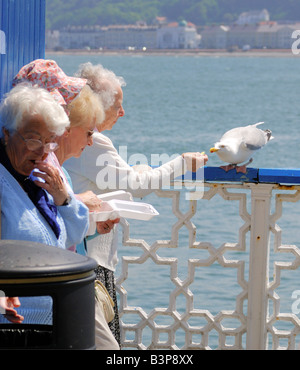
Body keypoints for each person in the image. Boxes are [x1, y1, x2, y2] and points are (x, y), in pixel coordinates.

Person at [64, 62, 209, 347]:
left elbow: (121, 176)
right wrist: (183, 163)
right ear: (97, 105)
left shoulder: (77, 138)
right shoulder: (95, 142)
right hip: (90, 259)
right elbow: (136, 184)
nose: (122, 112)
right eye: (117, 104)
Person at [12, 59, 120, 350]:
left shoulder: (46, 166)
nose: (46, 147)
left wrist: (69, 202)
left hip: (59, 299)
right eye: (35, 138)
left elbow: (61, 234)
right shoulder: (29, 171)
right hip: (31, 316)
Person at [0, 84, 89, 325]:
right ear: (7, 134)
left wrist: (65, 199)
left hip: (54, 320)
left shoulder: (42, 175)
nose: (42, 151)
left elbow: (74, 236)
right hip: (15, 326)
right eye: (33, 140)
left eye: (49, 142)